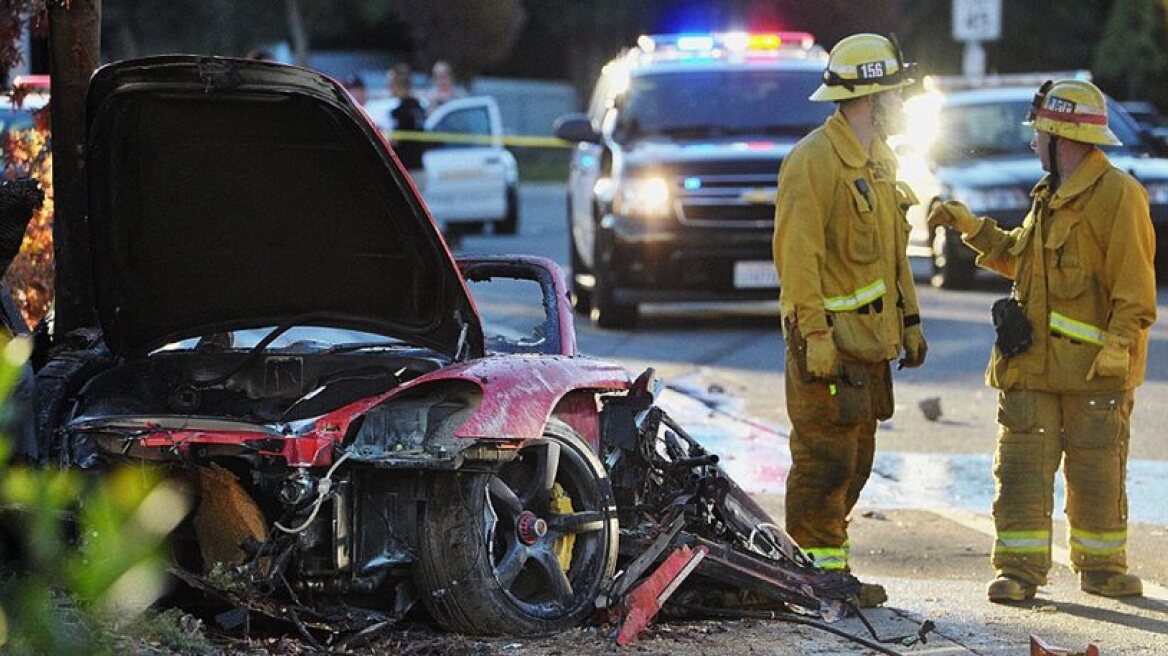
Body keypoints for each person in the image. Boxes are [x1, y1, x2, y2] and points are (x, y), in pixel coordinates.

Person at [927, 79, 1156, 603]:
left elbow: (1135, 292)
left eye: (1040, 134)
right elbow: (1021, 261)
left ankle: (1101, 568)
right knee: (1021, 470)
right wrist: (972, 229)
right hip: (1031, 367)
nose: (1032, 143)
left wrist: (1119, 345)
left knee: (1096, 471)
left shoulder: (1119, 198)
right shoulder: (1048, 196)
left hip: (1093, 372)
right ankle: (1019, 572)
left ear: (1063, 139)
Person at [772, 33, 926, 608]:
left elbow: (893, 256)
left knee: (857, 463)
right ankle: (813, 580)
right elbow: (798, 260)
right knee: (824, 464)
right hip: (829, 349)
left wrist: (909, 322)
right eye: (895, 94)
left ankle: (824, 571)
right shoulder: (812, 163)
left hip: (868, 349)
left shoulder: (879, 163)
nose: (902, 105)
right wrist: (814, 335)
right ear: (871, 98)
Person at [388, 63, 427, 177]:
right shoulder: (419, 106)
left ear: (397, 86)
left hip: (406, 169)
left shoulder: (400, 111)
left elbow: (395, 140)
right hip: (419, 166)